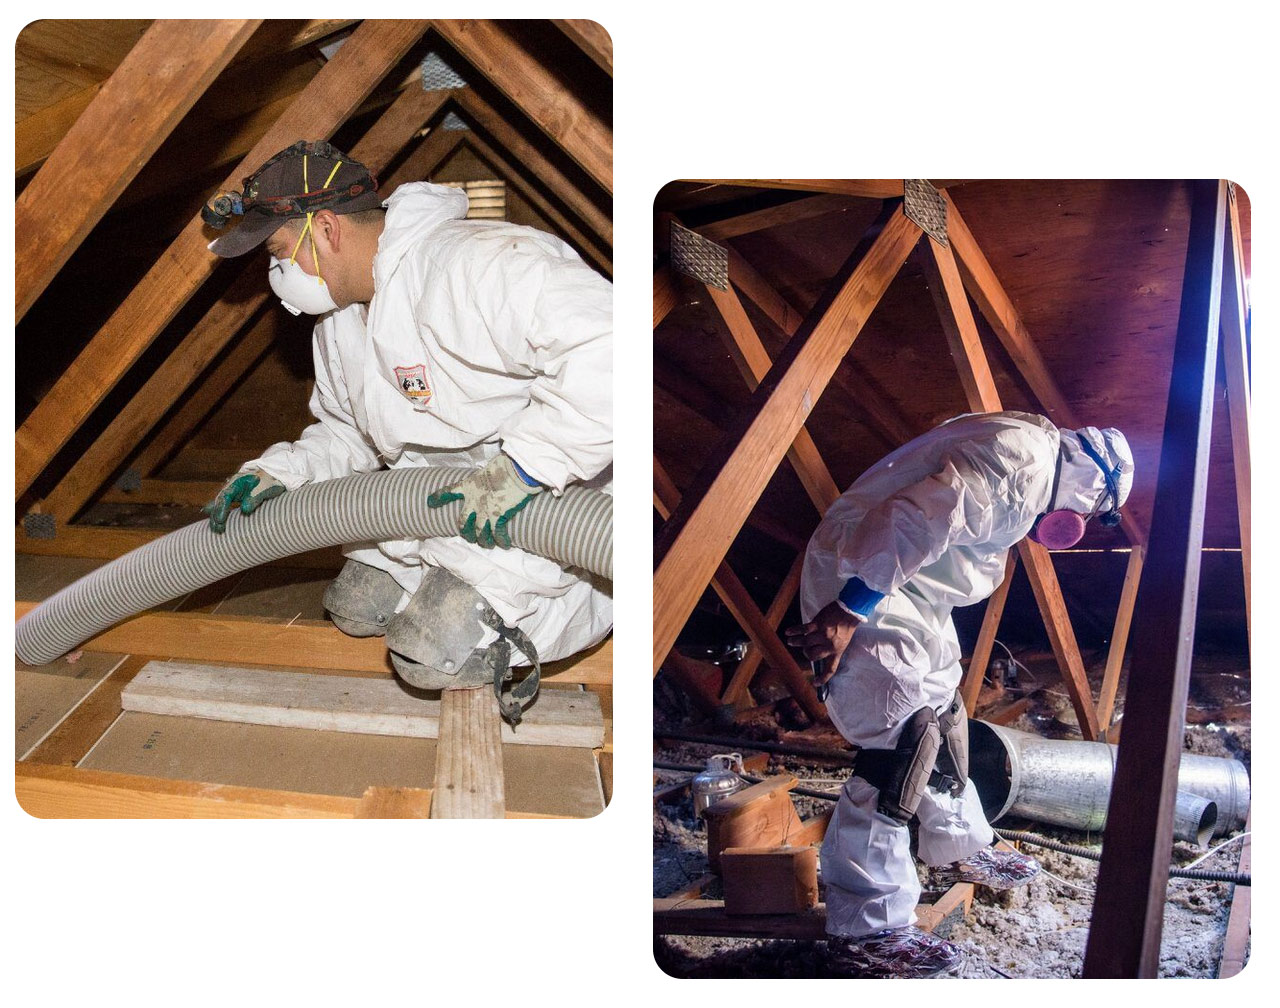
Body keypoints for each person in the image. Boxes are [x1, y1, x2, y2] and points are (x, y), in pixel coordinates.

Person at [200, 140, 612, 721]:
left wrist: (525, 466)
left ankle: (583, 599)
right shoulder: (339, 322)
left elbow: (612, 348)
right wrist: (280, 471)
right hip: (433, 502)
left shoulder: (475, 265)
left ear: (325, 230)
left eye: (276, 251)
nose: (275, 273)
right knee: (355, 607)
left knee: (427, 656)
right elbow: (347, 431)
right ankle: (443, 583)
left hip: (543, 496)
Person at [785, 410, 1133, 978]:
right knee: (898, 745)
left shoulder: (1034, 458)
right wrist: (849, 609)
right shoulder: (1023, 464)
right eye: (1094, 513)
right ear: (1092, 486)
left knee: (944, 715)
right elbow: (915, 517)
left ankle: (959, 845)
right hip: (863, 578)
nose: (1082, 524)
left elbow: (947, 529)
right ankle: (867, 929)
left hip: (907, 585)